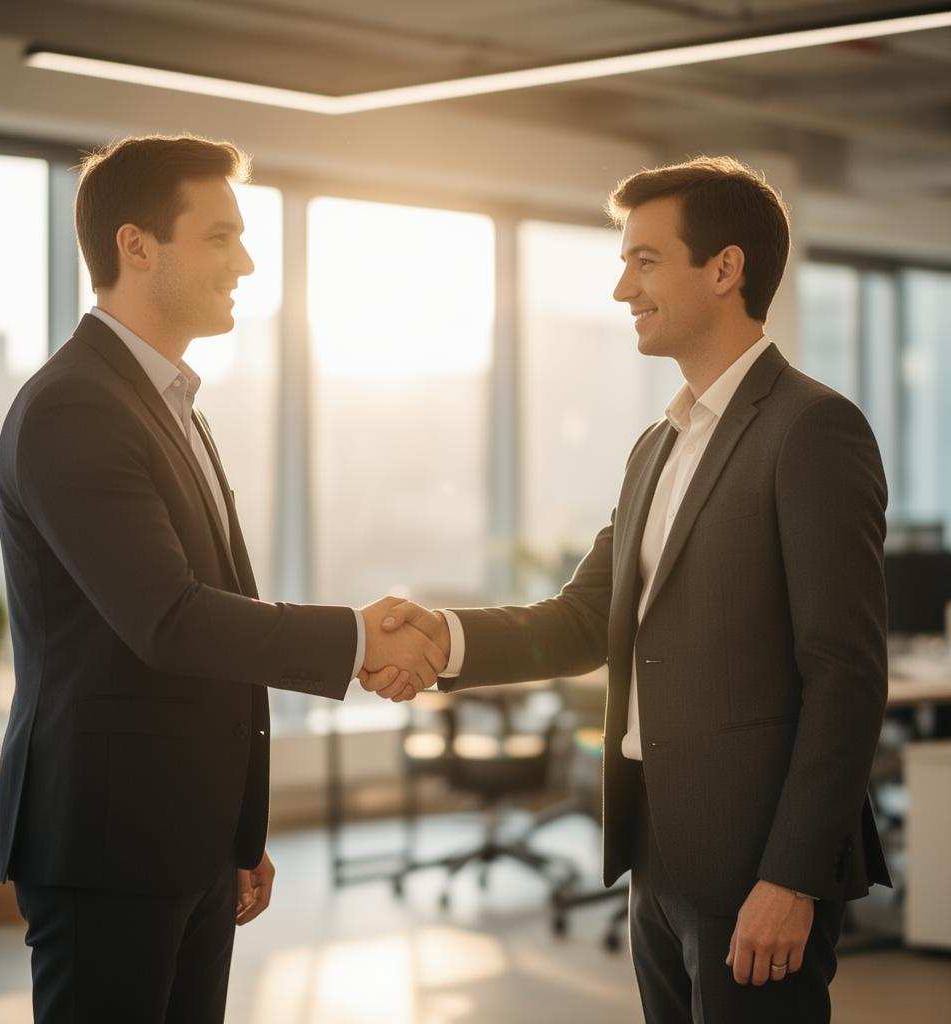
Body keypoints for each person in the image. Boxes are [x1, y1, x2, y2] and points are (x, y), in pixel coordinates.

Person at [362, 156, 891, 1023]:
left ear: (725, 269)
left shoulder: (812, 429)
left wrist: (792, 877)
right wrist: (443, 637)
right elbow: (582, 618)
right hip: (657, 852)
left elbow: (845, 673)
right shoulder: (658, 443)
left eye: (644, 260)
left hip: (758, 862)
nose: (621, 290)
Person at [0, 133, 441, 1024]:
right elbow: (170, 620)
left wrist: (235, 830)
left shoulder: (165, 401)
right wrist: (355, 638)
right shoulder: (76, 405)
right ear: (136, 245)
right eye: (221, 236)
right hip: (108, 844)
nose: (248, 260)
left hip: (183, 838)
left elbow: (208, 622)